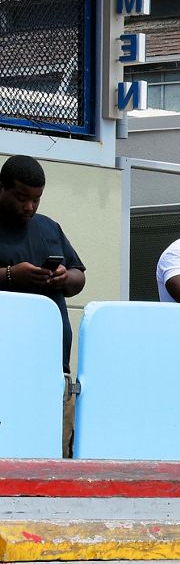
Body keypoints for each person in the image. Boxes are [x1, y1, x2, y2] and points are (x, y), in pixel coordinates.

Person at [0, 155, 86, 458]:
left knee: (52, 455)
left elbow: (79, 277)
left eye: (36, 199)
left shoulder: (49, 228)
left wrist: (64, 277)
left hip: (51, 366)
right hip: (6, 365)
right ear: (3, 188)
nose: (30, 207)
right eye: (22, 198)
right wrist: (12, 274)